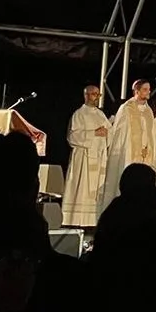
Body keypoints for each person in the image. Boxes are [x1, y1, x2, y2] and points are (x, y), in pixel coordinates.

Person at [100, 79, 155, 214]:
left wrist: (147, 147)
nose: (148, 92)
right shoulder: (126, 108)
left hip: (144, 155)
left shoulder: (149, 111)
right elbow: (120, 134)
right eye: (145, 89)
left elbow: (151, 133)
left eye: (149, 89)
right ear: (137, 91)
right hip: (128, 153)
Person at [61, 85, 110, 227]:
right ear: (86, 95)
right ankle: (76, 221)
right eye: (94, 94)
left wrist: (109, 131)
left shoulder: (100, 115)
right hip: (83, 158)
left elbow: (109, 132)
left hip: (99, 157)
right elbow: (72, 137)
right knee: (82, 189)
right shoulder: (79, 114)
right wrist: (94, 133)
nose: (97, 97)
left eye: (98, 94)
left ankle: (94, 221)